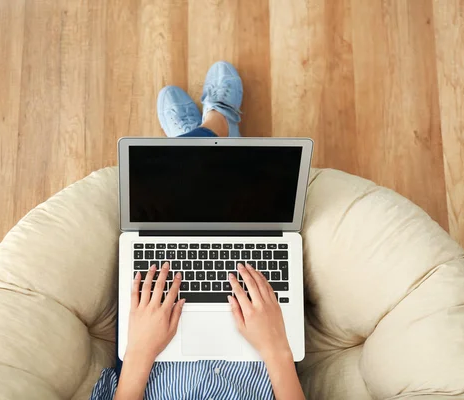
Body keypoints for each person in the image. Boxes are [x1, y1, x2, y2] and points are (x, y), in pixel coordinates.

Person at [90, 62, 305, 400]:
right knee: (249, 211)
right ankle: (218, 126)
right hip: (264, 357)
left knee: (161, 211)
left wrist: (140, 351)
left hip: (150, 354)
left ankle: (203, 137)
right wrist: (276, 347)